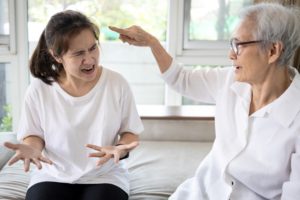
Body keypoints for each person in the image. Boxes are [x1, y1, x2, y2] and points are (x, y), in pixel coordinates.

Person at [109, 2, 300, 200]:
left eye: (239, 45)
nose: (231, 55)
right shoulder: (228, 80)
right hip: (199, 193)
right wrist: (152, 42)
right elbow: (180, 79)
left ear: (272, 51)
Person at [4, 10, 143, 200]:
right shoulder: (39, 88)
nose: (89, 59)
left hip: (105, 176)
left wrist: (121, 147)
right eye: (79, 53)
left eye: (93, 48)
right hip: (52, 175)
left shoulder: (116, 83)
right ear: (56, 56)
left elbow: (130, 132)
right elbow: (33, 134)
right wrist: (33, 148)